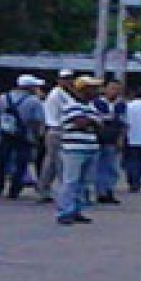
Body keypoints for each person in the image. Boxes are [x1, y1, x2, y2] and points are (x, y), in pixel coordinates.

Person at [55, 76, 104, 227]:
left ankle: (76, 210)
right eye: (92, 88)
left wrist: (91, 121)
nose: (96, 91)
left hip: (90, 147)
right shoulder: (71, 105)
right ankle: (64, 212)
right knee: (70, 181)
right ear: (83, 89)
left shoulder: (91, 106)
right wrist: (92, 121)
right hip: (73, 149)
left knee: (83, 182)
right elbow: (80, 122)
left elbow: (98, 124)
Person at [0, 75, 45, 199]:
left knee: (1, 160)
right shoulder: (34, 101)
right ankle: (14, 190)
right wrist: (38, 136)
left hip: (6, 133)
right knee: (21, 163)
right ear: (30, 87)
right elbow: (37, 121)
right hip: (24, 135)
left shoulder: (4, 97)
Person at [38, 69, 75, 204]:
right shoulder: (56, 94)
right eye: (65, 78)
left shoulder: (67, 93)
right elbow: (69, 111)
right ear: (59, 80)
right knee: (57, 163)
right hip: (57, 129)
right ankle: (58, 192)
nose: (68, 81)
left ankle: (46, 190)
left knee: (54, 163)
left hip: (63, 130)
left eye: (70, 78)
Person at [93, 80, 127, 205]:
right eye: (112, 88)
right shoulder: (97, 103)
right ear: (105, 89)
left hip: (113, 139)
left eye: (117, 89)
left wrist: (121, 138)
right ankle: (100, 192)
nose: (115, 91)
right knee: (99, 167)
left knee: (112, 167)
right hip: (99, 139)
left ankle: (109, 190)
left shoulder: (121, 105)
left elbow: (124, 123)